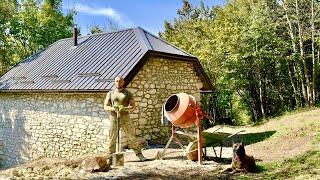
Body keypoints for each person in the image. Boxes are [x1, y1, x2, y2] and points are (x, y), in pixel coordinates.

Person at [104, 76, 146, 162]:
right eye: (116, 81)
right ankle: (111, 158)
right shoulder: (110, 93)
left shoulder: (128, 93)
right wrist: (114, 108)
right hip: (114, 118)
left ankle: (139, 155)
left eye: (120, 81)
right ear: (114, 82)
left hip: (125, 117)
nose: (118, 83)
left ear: (123, 82)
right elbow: (105, 106)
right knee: (112, 138)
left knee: (131, 137)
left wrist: (124, 108)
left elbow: (133, 106)